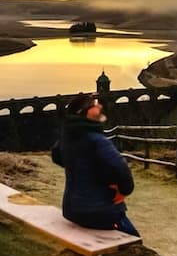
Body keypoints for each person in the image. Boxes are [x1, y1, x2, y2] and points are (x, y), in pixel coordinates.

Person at [51, 92, 139, 237]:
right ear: (83, 112)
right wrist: (124, 190)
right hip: (100, 212)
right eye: (94, 105)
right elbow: (120, 167)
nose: (99, 106)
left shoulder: (68, 137)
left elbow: (56, 156)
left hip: (71, 210)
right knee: (134, 240)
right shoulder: (96, 139)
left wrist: (82, 169)